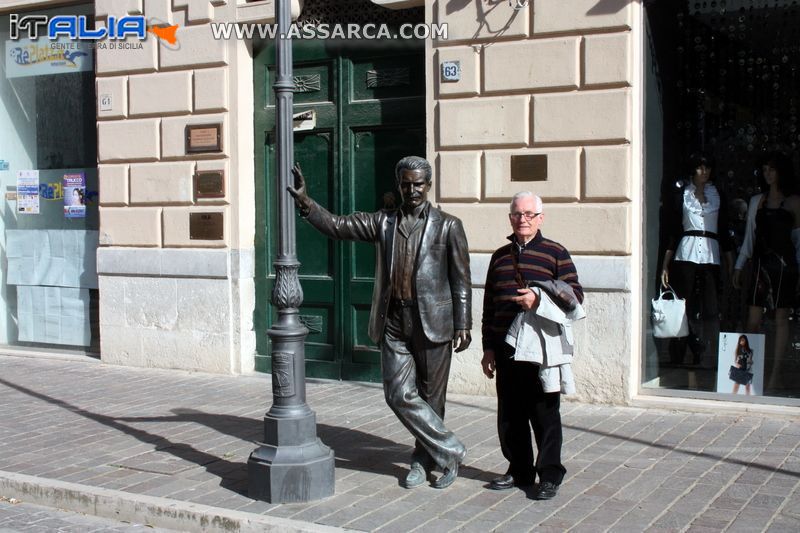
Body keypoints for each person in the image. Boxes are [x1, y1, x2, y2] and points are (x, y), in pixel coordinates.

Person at [288, 156, 472, 489]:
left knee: (432, 397)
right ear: (398, 184)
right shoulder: (383, 222)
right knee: (398, 393)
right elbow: (340, 226)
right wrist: (306, 203)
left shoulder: (448, 225)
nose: (412, 190)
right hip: (394, 320)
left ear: (428, 185)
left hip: (433, 320)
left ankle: (423, 458)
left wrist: (463, 323)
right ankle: (451, 449)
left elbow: (461, 279)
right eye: (405, 183)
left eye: (418, 183)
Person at [481, 191, 583, 501]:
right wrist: (488, 348)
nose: (522, 219)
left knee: (544, 413)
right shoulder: (499, 256)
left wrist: (538, 300)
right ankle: (519, 469)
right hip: (506, 348)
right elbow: (489, 305)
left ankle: (549, 474)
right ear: (510, 217)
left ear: (540, 218)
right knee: (510, 414)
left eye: (528, 214)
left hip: (541, 349)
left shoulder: (556, 253)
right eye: (516, 214)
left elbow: (575, 295)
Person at [732, 152, 800, 391]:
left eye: (772, 168)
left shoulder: (793, 202)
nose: (768, 173)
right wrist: (739, 265)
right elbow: (749, 238)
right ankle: (748, 374)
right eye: (764, 169)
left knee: (781, 319)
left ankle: (774, 375)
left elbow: (798, 241)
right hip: (761, 265)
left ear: (781, 170)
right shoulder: (756, 201)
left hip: (784, 266)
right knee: (752, 319)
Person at [660, 153, 735, 365]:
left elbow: (724, 229)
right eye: (701, 168)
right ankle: (680, 351)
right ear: (693, 170)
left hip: (711, 256)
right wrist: (665, 265)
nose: (705, 172)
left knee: (711, 307)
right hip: (686, 255)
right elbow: (673, 232)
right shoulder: (682, 194)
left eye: (708, 167)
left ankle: (709, 353)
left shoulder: (717, 194)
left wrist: (731, 263)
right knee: (683, 305)